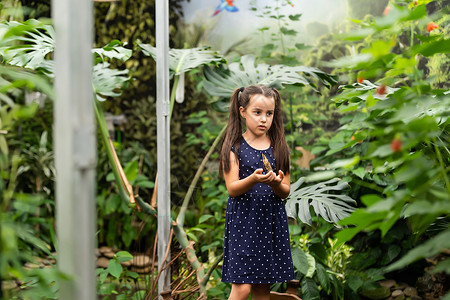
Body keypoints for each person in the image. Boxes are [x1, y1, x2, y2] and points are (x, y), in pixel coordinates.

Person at [220, 85, 295, 300]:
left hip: (269, 223)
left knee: (263, 289)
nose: (264, 119)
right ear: (242, 111)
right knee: (242, 288)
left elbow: (285, 190)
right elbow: (232, 189)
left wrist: (275, 184)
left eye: (269, 113)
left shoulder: (280, 147)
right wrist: (253, 179)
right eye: (257, 112)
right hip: (244, 224)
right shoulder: (234, 146)